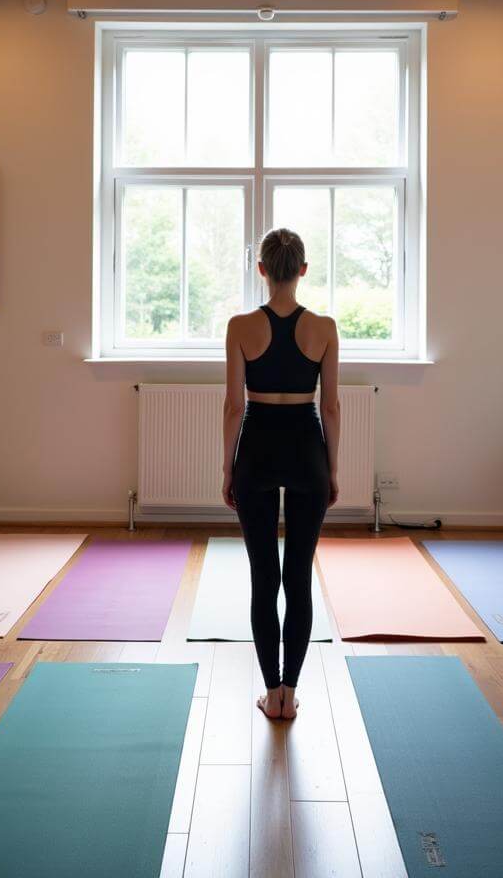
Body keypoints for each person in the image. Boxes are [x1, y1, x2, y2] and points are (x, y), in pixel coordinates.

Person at [222, 228, 340, 720]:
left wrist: (227, 468)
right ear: (304, 270)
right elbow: (330, 406)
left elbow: (233, 406)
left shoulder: (240, 326)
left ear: (263, 269)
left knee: (263, 577)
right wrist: (331, 468)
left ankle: (271, 694)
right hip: (306, 447)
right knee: (298, 577)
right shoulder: (325, 328)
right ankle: (292, 691)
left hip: (258, 448)